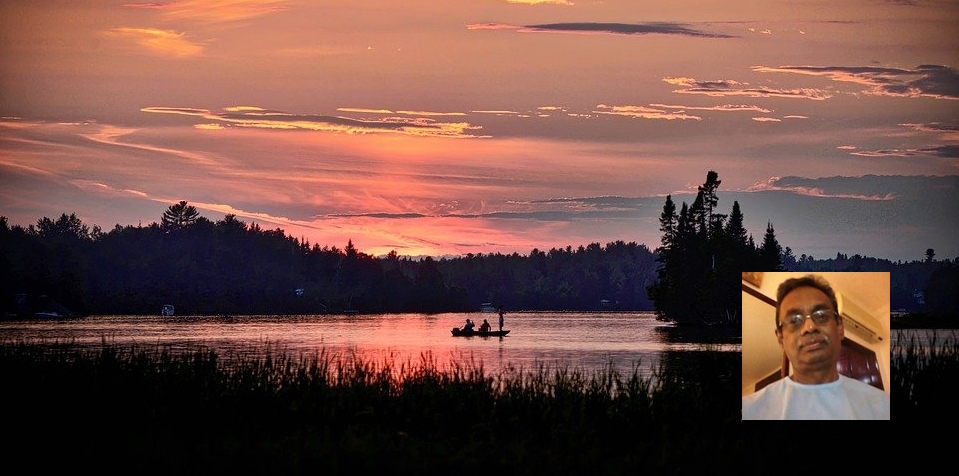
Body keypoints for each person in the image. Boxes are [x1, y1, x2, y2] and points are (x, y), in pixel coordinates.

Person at [742, 274, 890, 420]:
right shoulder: (749, 411)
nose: (810, 327)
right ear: (781, 338)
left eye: (821, 316)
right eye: (794, 320)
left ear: (839, 327)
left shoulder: (883, 406)